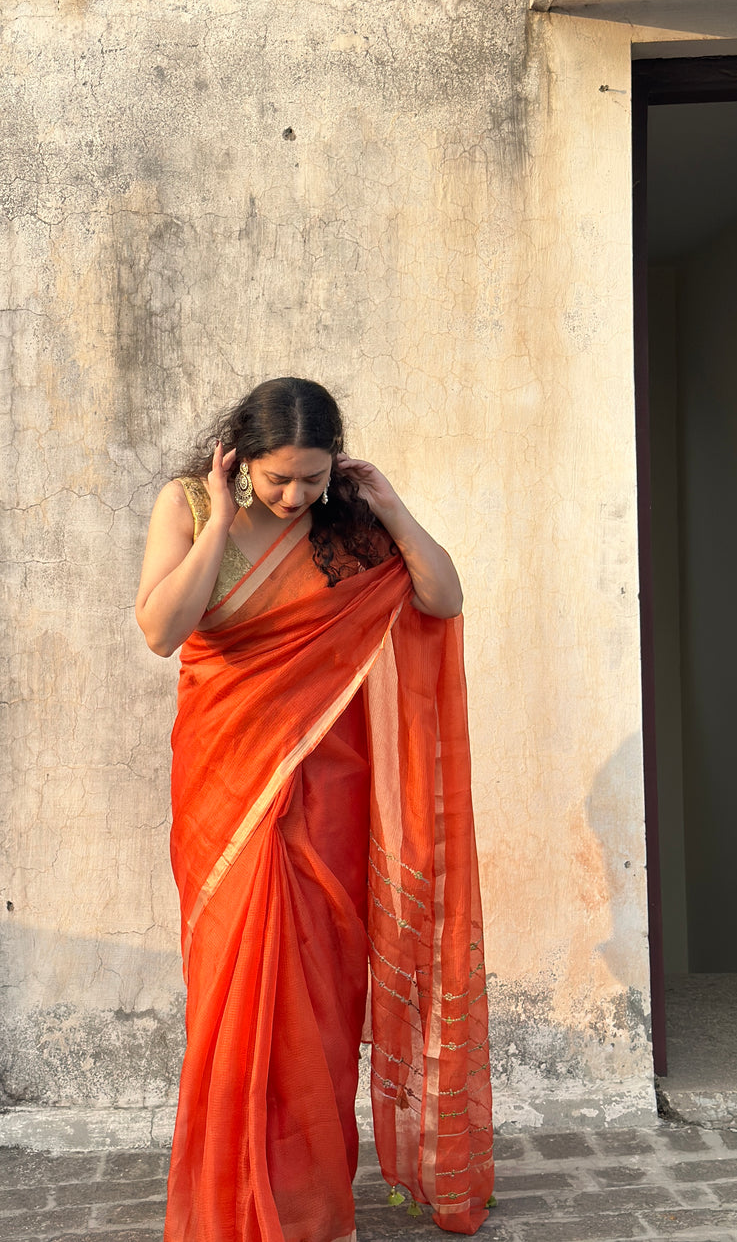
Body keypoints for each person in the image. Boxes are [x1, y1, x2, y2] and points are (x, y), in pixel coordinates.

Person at [136, 378, 493, 1241]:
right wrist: (222, 519)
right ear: (239, 457)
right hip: (226, 788)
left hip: (326, 792)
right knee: (232, 988)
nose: (295, 496)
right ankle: (235, 1193)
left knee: (324, 995)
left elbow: (441, 597)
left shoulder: (347, 529)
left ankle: (309, 1198)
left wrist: (393, 507)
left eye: (312, 479)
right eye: (277, 479)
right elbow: (160, 628)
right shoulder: (186, 505)